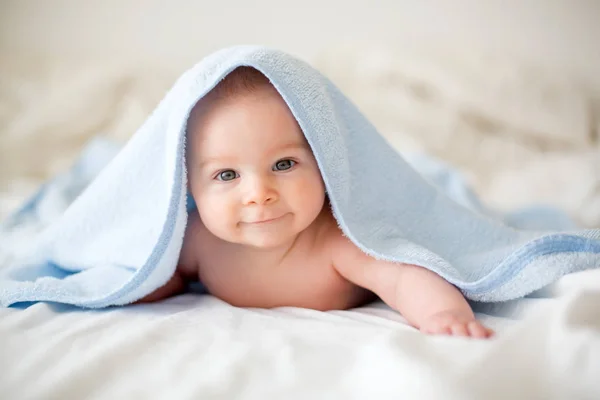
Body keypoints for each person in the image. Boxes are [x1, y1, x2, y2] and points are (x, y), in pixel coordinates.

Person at [139, 67, 494, 339]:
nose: (259, 193)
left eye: (283, 164)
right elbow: (156, 273)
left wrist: (443, 315)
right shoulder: (199, 240)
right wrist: (129, 292)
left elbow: (404, 278)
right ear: (188, 186)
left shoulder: (337, 240)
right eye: (227, 175)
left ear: (325, 163)